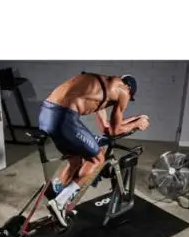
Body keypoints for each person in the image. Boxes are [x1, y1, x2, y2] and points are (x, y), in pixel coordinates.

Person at [38, 71, 150, 227]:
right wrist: (137, 124)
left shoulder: (102, 85)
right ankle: (59, 202)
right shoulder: (123, 91)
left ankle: (57, 191)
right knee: (98, 159)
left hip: (46, 113)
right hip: (64, 117)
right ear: (129, 90)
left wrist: (133, 119)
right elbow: (114, 131)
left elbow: (105, 127)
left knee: (76, 160)